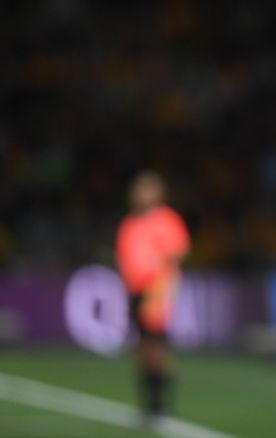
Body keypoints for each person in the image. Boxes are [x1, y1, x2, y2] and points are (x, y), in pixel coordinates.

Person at [116, 170, 190, 418]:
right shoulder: (129, 223)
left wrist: (162, 277)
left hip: (156, 291)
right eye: (139, 188)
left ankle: (160, 402)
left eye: (147, 188)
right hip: (134, 290)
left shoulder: (166, 220)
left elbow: (178, 252)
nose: (141, 193)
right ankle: (146, 401)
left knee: (156, 346)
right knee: (141, 347)